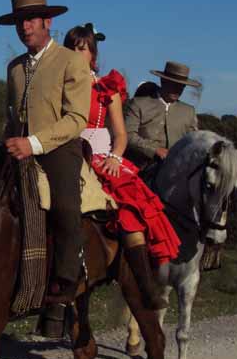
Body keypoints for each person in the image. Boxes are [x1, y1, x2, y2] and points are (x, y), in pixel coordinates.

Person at [63, 24, 177, 309]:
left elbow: (122, 134)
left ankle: (145, 286)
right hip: (66, 152)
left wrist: (115, 157)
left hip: (101, 155)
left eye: (84, 49)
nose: (78, 54)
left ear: (93, 53)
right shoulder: (57, 83)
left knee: (130, 209)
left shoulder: (106, 87)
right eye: (73, 48)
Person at [0, 0, 92, 305]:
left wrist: (34, 143)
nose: (24, 28)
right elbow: (10, 115)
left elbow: (77, 118)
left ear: (47, 22)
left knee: (66, 206)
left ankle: (67, 279)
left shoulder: (71, 61)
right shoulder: (14, 67)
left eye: (30, 21)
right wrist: (10, 140)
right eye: (19, 23)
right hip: (17, 144)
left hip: (59, 146)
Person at [123, 61, 201, 168]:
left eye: (181, 86)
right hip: (140, 168)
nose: (177, 89)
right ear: (163, 81)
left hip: (176, 169)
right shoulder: (138, 104)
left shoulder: (189, 111)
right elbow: (128, 135)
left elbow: (193, 141)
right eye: (174, 84)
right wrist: (154, 150)